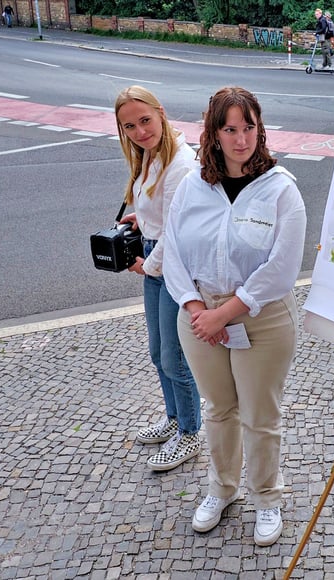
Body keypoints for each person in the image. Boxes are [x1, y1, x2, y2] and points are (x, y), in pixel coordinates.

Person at [162, 86, 306, 547]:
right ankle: (221, 489)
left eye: (249, 127)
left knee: (261, 415)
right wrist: (195, 307)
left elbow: (281, 270)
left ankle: (266, 497)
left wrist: (226, 313)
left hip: (260, 319)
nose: (241, 139)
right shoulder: (192, 186)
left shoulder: (281, 189)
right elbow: (175, 253)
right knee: (219, 409)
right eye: (230, 129)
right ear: (214, 133)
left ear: (260, 130)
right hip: (199, 314)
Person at [114, 86, 203, 473]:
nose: (139, 132)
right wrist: (141, 220)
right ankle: (173, 417)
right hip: (155, 259)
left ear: (161, 113)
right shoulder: (150, 156)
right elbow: (162, 211)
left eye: (144, 121)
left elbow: (179, 230)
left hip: (173, 267)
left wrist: (147, 265)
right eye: (129, 126)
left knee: (175, 357)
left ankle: (189, 432)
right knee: (157, 352)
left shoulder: (181, 163)